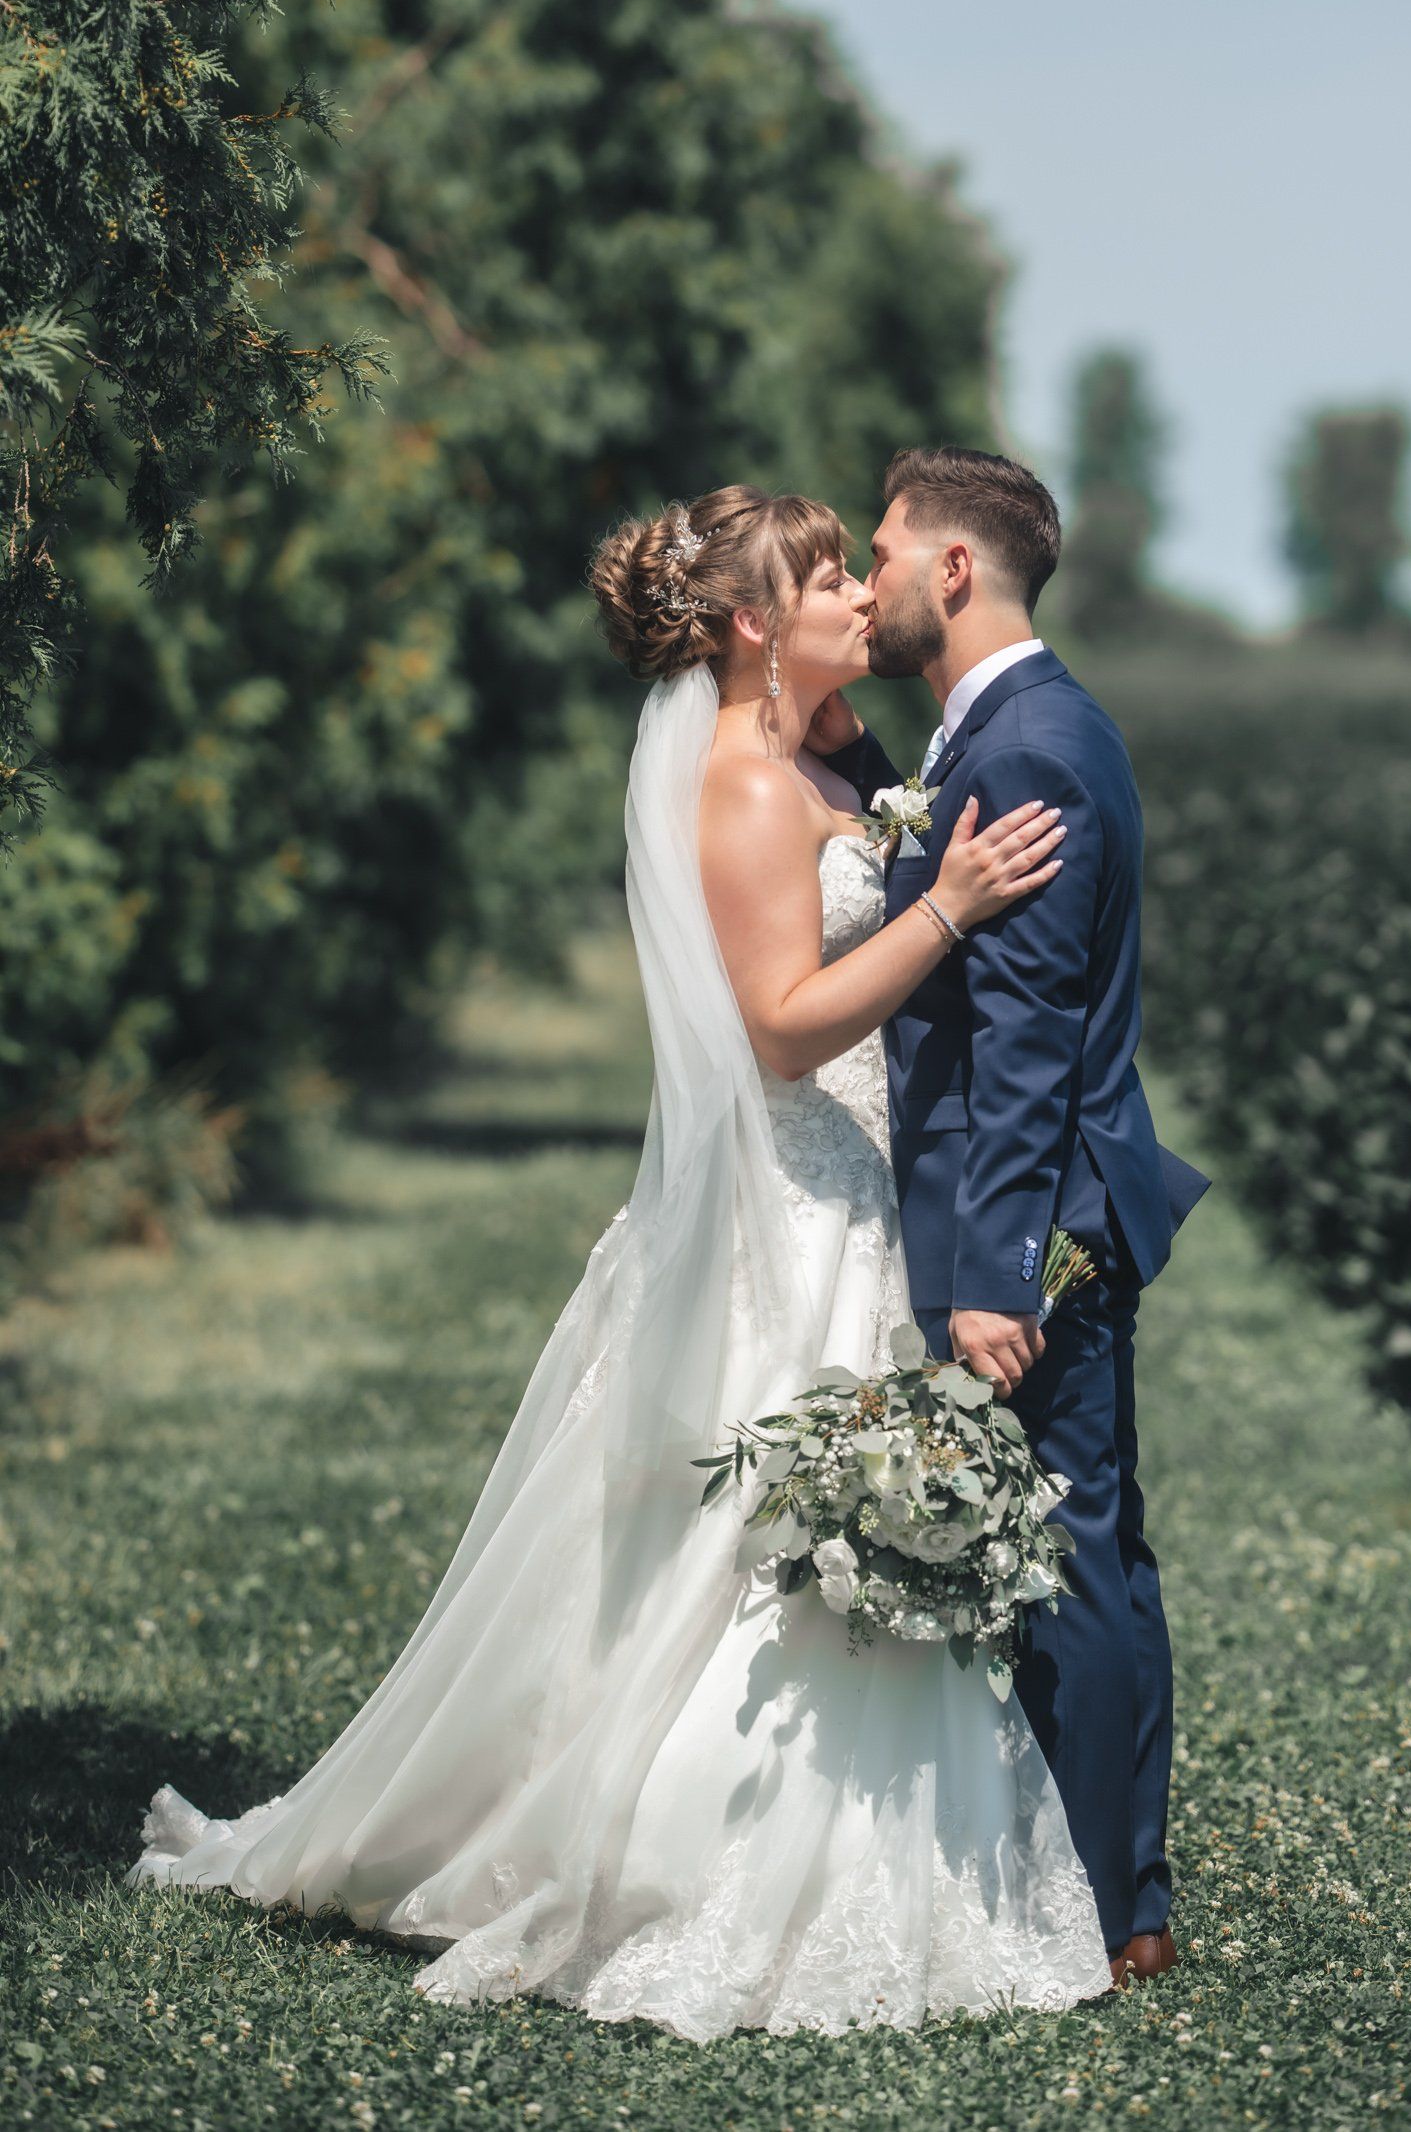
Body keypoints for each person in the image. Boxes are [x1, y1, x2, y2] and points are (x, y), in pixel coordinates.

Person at [121, 482, 1115, 2041]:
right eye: (828, 576)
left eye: (864, 565)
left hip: (851, 1198)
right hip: (790, 1193)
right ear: (747, 626)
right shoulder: (738, 782)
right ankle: (687, 1853)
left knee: (787, 1533)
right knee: (746, 1536)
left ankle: (871, 1845)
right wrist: (953, 908)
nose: (861, 591)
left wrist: (884, 789)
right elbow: (783, 1026)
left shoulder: (820, 757)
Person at [811, 445, 1211, 1978]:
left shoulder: (1028, 746)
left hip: (1038, 1224)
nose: (871, 578)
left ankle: (1113, 1912)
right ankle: (1125, 1890)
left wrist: (996, 1275)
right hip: (1043, 1203)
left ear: (955, 570)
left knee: (1070, 1551)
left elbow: (1031, 1039)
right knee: (1088, 1543)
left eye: (887, 550)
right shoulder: (1009, 727)